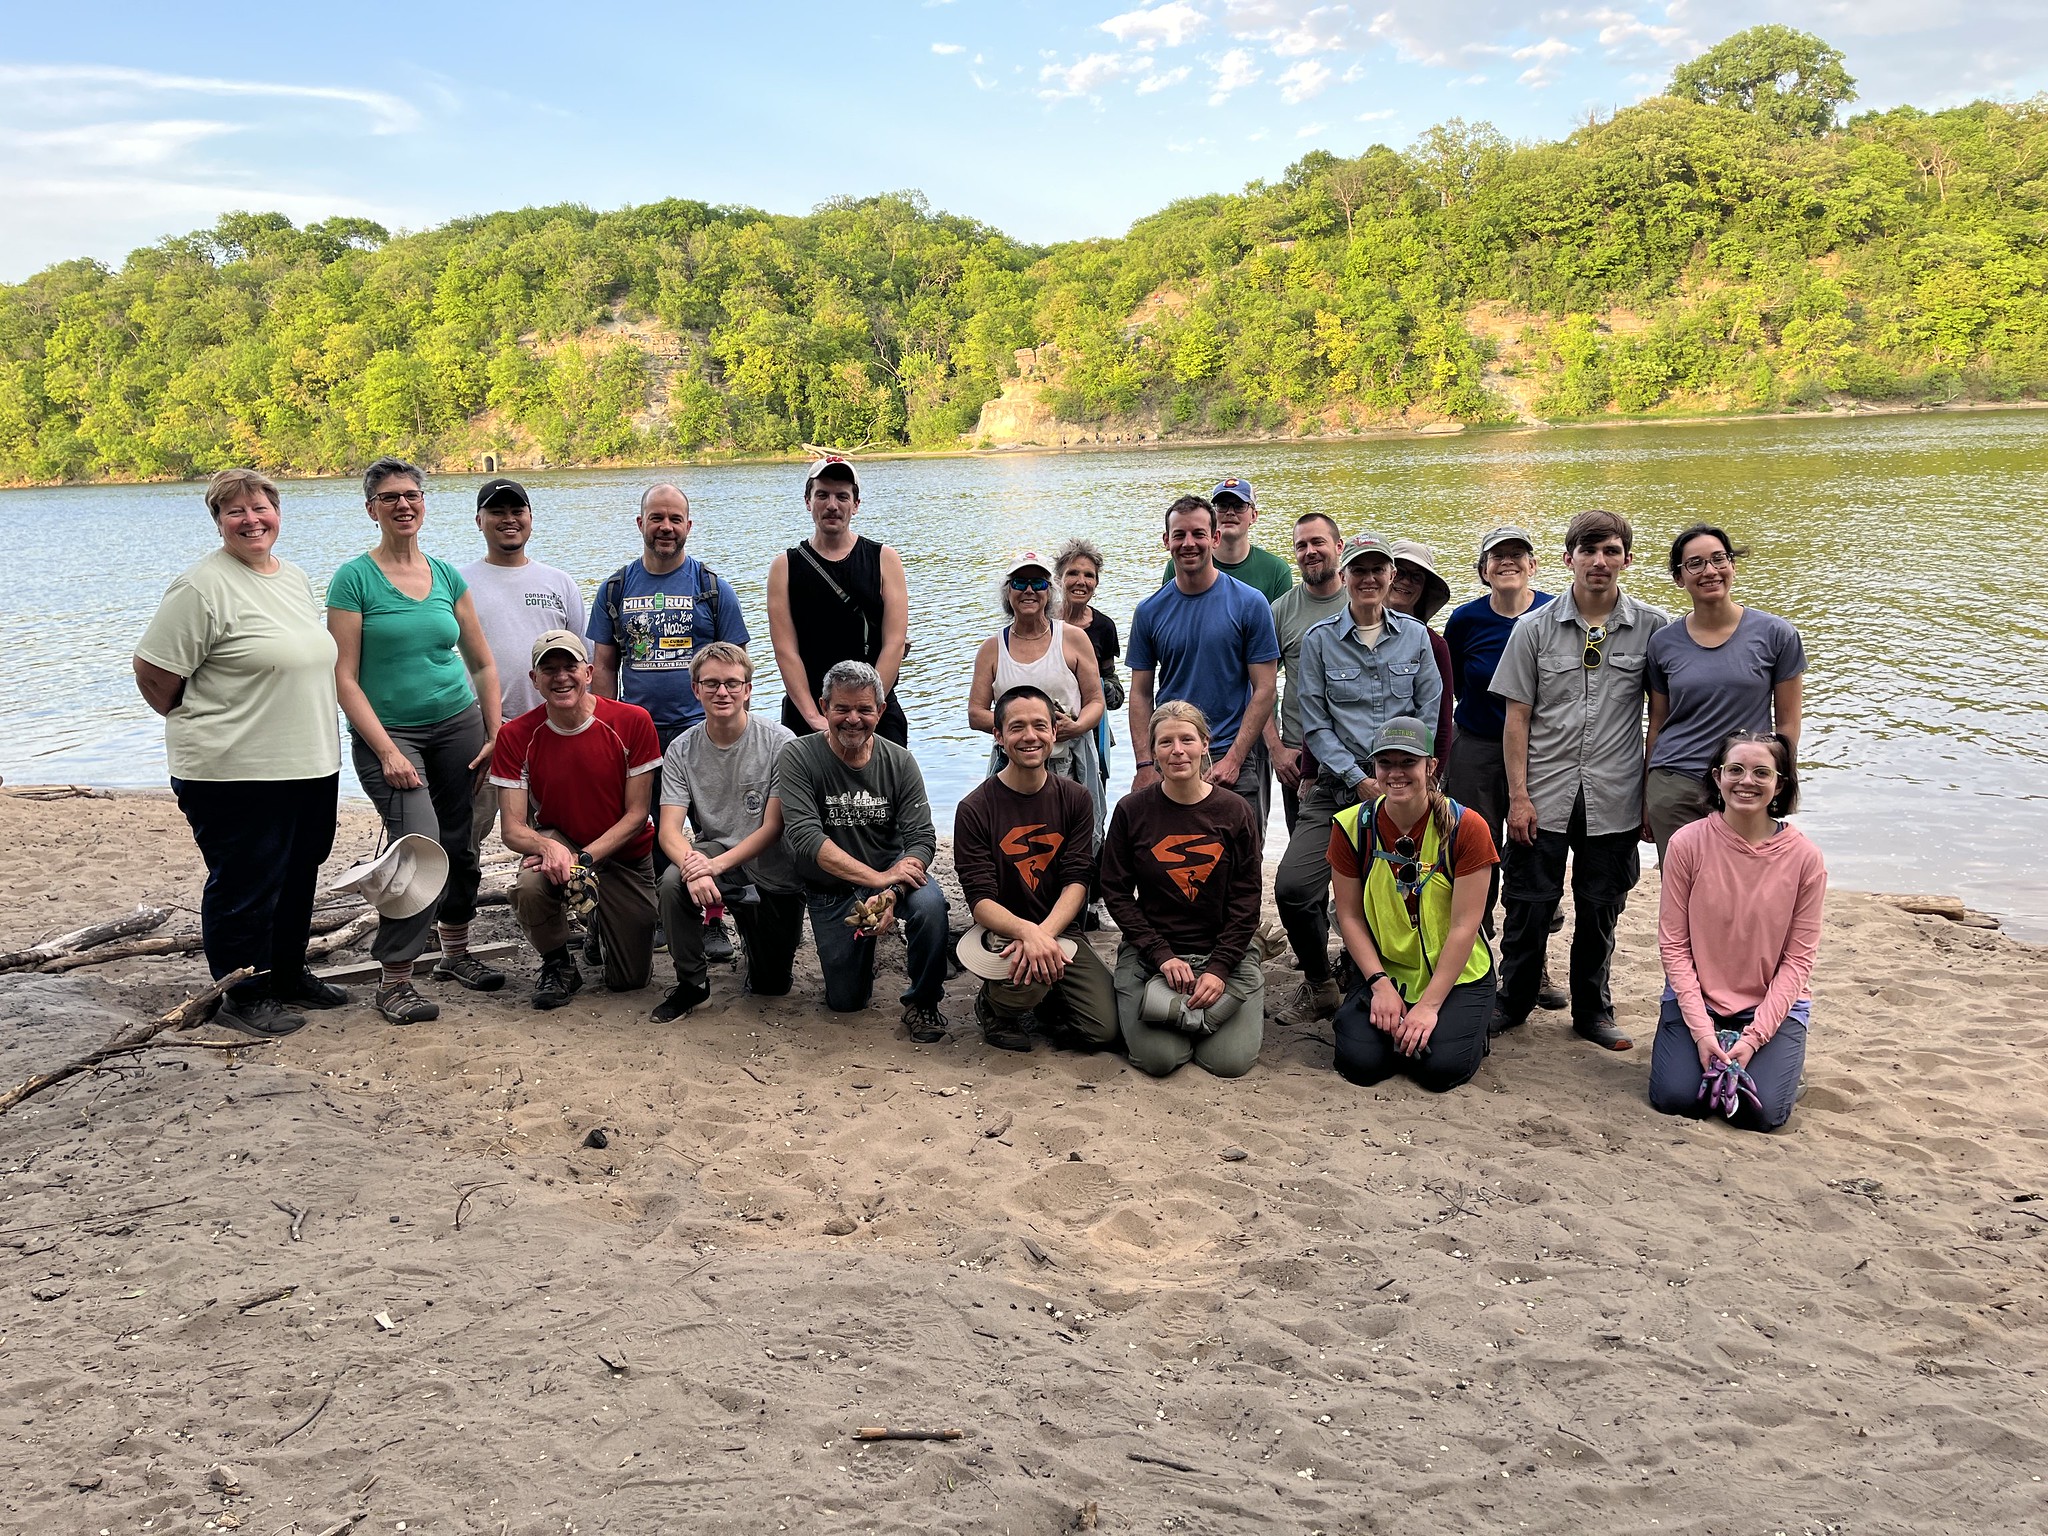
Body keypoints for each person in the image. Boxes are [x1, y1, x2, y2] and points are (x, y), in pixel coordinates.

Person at [133, 469, 342, 1038]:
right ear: (218, 522)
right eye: (235, 512)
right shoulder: (202, 586)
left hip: (310, 761)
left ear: (278, 511)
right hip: (233, 769)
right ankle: (241, 993)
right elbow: (154, 675)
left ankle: (289, 976)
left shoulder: (292, 577)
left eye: (260, 507)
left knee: (300, 875)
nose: (252, 520)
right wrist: (212, 723)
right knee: (245, 883)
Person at [329, 458, 505, 1026]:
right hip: (392, 734)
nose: (403, 505)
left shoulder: (447, 575)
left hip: (460, 725)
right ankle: (396, 978)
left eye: (411, 495)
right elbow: (344, 678)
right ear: (371, 509)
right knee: (418, 850)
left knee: (463, 843)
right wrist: (385, 749)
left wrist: (496, 728)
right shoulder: (353, 579)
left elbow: (481, 663)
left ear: (424, 503)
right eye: (389, 498)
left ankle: (455, 953)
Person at [1490, 509, 1671, 1050]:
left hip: (1615, 793)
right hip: (1543, 792)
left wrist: (1648, 795)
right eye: (1588, 551)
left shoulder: (1654, 628)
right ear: (1568, 558)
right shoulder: (1533, 629)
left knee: (1601, 907)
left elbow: (1658, 719)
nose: (1599, 561)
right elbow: (1516, 718)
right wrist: (1517, 797)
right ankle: (1514, 998)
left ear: (1627, 560)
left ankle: (1592, 1010)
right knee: (1528, 902)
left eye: (1611, 551)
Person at [1275, 533, 1442, 1023]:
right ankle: (1319, 981)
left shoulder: (1416, 637)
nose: (1368, 579)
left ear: (1392, 576)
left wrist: (1405, 776)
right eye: (1359, 570)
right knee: (1294, 888)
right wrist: (1357, 777)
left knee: (1409, 887)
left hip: (1405, 789)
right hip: (1336, 789)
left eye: (1378, 570)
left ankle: (1398, 976)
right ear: (1343, 577)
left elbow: (1429, 715)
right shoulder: (1319, 640)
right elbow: (1315, 724)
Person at [1649, 731, 1825, 1132]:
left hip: (1770, 1005)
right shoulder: (1687, 843)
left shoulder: (1806, 858)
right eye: (1736, 770)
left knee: (1758, 1114)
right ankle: (1703, 1045)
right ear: (1717, 777)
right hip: (1699, 999)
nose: (1747, 781)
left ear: (1780, 784)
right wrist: (1701, 1032)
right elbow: (1674, 946)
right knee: (1675, 1100)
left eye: (1762, 772)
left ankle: (1782, 1063)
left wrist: (1752, 1038)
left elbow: (1799, 960)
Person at [775, 660, 950, 1039]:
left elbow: (922, 837)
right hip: (831, 888)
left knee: (931, 905)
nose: (853, 719)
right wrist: (878, 879)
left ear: (881, 711)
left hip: (891, 877)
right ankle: (868, 957)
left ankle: (923, 1002)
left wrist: (891, 890)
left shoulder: (900, 761)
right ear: (824, 708)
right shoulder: (797, 756)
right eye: (842, 708)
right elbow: (805, 838)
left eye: (864, 709)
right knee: (846, 1002)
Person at [490, 631, 663, 1009]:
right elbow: (512, 829)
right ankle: (558, 964)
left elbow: (637, 815)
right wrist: (549, 846)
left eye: (570, 666)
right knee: (530, 886)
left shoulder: (632, 721)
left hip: (624, 853)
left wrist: (582, 861)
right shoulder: (515, 735)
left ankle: (598, 922)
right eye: (548, 669)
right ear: (534, 680)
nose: (561, 677)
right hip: (562, 838)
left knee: (629, 982)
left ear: (588, 672)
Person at [1328, 718, 1498, 1093]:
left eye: (1408, 762)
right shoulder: (1352, 827)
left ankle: (1467, 1026)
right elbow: (1350, 917)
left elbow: (1464, 927)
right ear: (1373, 768)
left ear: (1431, 766)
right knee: (1361, 1066)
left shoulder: (1467, 828)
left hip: (1456, 975)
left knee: (1439, 1071)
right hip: (1384, 968)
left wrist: (1429, 1006)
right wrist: (1379, 984)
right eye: (1385, 763)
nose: (1396, 773)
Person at [1100, 703, 1266, 1078]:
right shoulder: (1131, 811)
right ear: (1153, 752)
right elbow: (1116, 892)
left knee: (1228, 1063)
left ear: (1205, 744)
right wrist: (1160, 954)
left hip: (1223, 952)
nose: (1177, 750)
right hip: (1153, 956)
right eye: (1165, 742)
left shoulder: (1236, 810)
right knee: (1159, 1060)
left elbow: (1246, 900)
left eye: (1187, 739)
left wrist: (1221, 968)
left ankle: (1240, 987)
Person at [953, 686, 1118, 1053]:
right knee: (1030, 979)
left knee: (1104, 1032)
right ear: (998, 736)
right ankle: (995, 1008)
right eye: (1016, 727)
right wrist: (1029, 935)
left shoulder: (1076, 798)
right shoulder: (974, 809)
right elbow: (980, 901)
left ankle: (1049, 1001)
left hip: (1061, 928)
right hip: (1004, 931)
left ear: (1055, 733)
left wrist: (1045, 935)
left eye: (1040, 726)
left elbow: (1078, 880)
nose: (1030, 736)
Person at [1443, 526, 1566, 1011]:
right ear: (1483, 569)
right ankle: (1475, 958)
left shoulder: (1556, 612)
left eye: (1518, 555)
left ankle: (1529, 965)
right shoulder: (1466, 619)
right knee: (1475, 852)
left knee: (1531, 852)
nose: (1507, 562)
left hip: (1541, 750)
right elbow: (1451, 683)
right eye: (1497, 557)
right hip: (1475, 747)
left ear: (1534, 565)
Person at [653, 643, 803, 1021]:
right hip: (717, 852)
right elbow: (668, 831)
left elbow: (773, 827)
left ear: (748, 690)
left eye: (733, 684)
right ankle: (692, 984)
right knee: (672, 882)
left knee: (771, 986)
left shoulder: (780, 742)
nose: (723, 692)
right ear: (696, 689)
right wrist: (693, 866)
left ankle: (754, 939)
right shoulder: (681, 749)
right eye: (712, 683)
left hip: (772, 864)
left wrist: (712, 867)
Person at [1644, 524, 1806, 863]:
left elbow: (1788, 724)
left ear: (1732, 565)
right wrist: (1646, 794)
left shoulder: (1777, 635)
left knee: (1742, 886)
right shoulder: (1662, 642)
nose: (1710, 571)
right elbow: (1657, 724)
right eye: (1695, 563)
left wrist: (1780, 781)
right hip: (1675, 785)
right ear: (1679, 578)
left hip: (1743, 782)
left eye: (1719, 559)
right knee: (1684, 890)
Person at [1126, 495, 1280, 833]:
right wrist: (1145, 762)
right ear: (1167, 541)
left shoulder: (1250, 603)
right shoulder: (1150, 610)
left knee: (1243, 863)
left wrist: (1235, 758)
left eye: (1198, 533)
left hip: (1233, 752)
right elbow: (1139, 693)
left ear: (1215, 538)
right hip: (1174, 754)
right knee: (1173, 859)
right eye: (1179, 535)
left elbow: (1265, 687)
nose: (1188, 543)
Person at [461, 477, 587, 850]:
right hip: (480, 730)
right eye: (496, 512)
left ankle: (551, 898)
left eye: (517, 511)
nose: (508, 519)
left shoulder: (558, 582)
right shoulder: (458, 583)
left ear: (531, 517)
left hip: (548, 729)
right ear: (479, 521)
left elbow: (585, 662)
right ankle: (455, 905)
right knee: (466, 828)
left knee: (552, 827)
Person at [586, 483, 749, 750]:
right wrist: (606, 729)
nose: (666, 527)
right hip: (635, 732)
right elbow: (604, 667)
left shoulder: (715, 590)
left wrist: (738, 737)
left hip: (702, 731)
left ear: (688, 526)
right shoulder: (614, 589)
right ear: (640, 523)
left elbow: (740, 671)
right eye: (656, 518)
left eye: (675, 519)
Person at [766, 457, 912, 746]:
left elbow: (894, 643)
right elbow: (786, 652)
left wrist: (868, 711)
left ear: (855, 505)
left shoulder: (884, 560)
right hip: (808, 712)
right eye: (822, 495)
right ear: (808, 501)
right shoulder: (785, 567)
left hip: (877, 713)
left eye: (842, 496)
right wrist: (815, 717)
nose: (832, 505)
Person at [967, 550, 1107, 845]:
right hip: (1012, 763)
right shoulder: (992, 648)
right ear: (1008, 592)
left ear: (1050, 591)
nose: (1029, 590)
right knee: (1015, 840)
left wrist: (1079, 726)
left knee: (1078, 841)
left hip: (1070, 759)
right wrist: (1021, 727)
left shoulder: (1072, 638)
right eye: (1019, 583)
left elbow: (1096, 701)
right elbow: (975, 713)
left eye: (1038, 583)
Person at [1266, 512, 1349, 834]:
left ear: (1339, 546)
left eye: (1318, 542)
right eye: (1301, 545)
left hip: (1362, 751)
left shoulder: (1362, 599)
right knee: (1305, 863)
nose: (1310, 551)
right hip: (1300, 755)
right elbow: (1261, 687)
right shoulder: (1280, 610)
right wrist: (1277, 749)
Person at [1158, 477, 1295, 602]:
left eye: (1239, 506)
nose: (1230, 512)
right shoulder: (1178, 565)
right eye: (1222, 506)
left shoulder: (1277, 570)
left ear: (1253, 516)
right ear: (1213, 514)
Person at [1056, 539, 1120, 787]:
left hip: (1092, 736)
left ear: (1096, 583)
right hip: (1048, 735)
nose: (1081, 581)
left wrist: (1105, 689)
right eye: (1072, 573)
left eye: (1088, 575)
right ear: (1058, 578)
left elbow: (1113, 685)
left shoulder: (1104, 627)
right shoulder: (1041, 621)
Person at [1386, 539, 1457, 761]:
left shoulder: (1435, 645)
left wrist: (1433, 777)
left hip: (1410, 766)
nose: (1406, 581)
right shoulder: (1349, 635)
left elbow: (1443, 721)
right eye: (1400, 572)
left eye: (1416, 577)